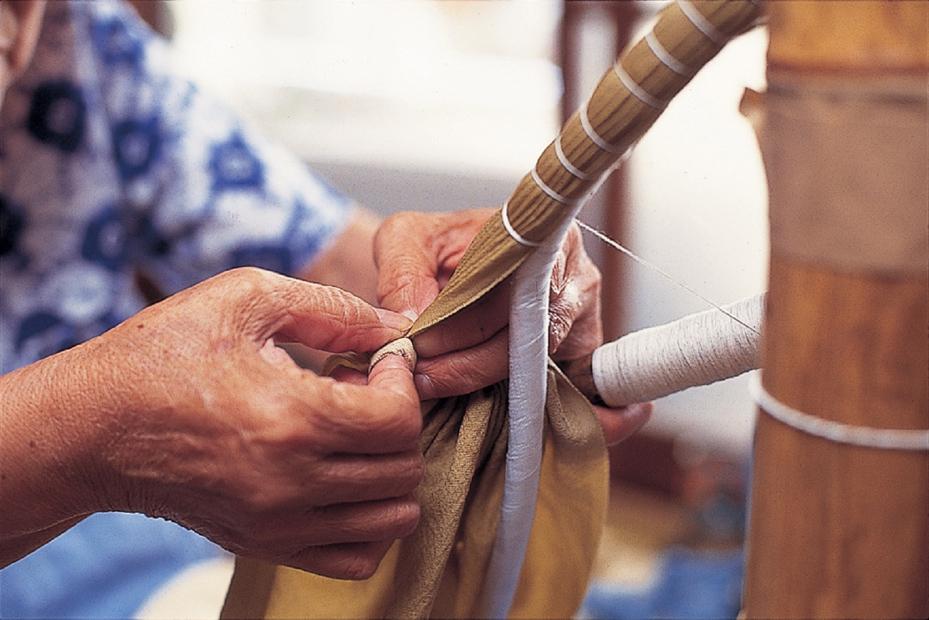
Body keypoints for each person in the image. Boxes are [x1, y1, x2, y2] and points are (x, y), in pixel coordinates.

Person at [0, 0, 651, 616]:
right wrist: (89, 434)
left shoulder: (76, 40)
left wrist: (479, 290)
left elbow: (349, 274)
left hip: (154, 557)